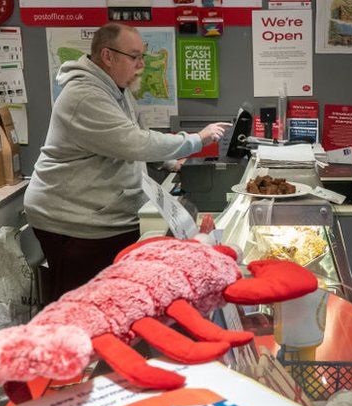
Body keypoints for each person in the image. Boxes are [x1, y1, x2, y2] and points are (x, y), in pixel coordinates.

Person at [25, 22, 230, 302]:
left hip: (102, 214)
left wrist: (168, 164)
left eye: (142, 57)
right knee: (85, 306)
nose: (141, 65)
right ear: (108, 56)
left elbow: (132, 140)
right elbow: (134, 142)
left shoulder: (117, 90)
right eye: (134, 57)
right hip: (74, 221)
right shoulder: (85, 96)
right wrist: (196, 140)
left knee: (115, 299)